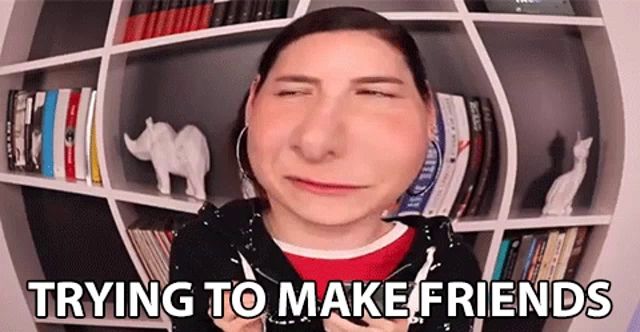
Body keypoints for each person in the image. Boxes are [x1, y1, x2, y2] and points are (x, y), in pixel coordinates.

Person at [169, 6, 481, 332]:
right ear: (253, 103)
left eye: (375, 94)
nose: (318, 144)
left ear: (429, 115)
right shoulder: (206, 250)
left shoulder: (446, 266)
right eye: (293, 92)